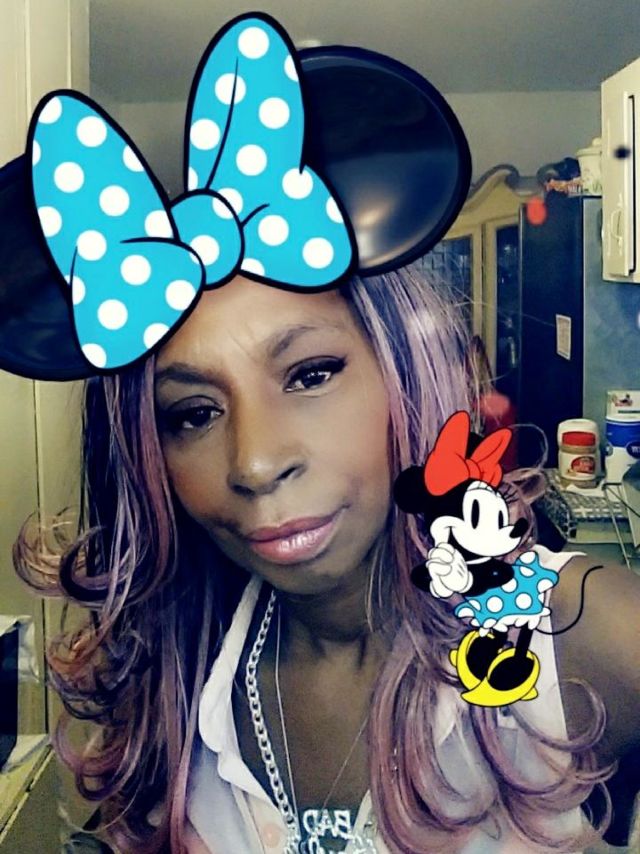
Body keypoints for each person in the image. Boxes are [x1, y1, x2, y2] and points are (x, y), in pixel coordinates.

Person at [4, 12, 639, 854]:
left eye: (310, 375)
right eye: (192, 414)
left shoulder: (583, 636)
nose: (257, 460)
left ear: (401, 376)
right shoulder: (171, 679)